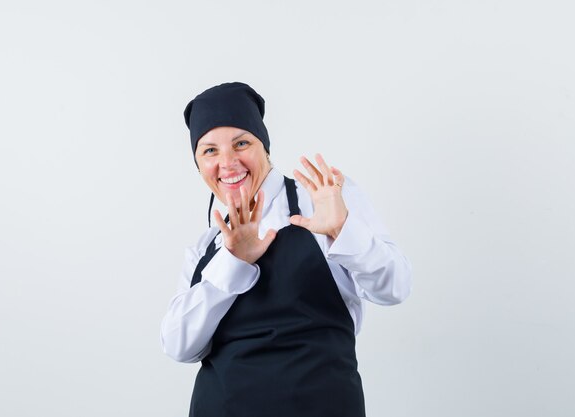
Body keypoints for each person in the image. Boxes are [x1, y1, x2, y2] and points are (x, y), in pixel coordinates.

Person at [161, 82, 412, 417]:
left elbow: (395, 288)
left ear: (264, 146)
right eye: (209, 151)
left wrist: (342, 230)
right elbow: (179, 346)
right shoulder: (207, 246)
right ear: (198, 164)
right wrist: (234, 261)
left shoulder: (322, 199)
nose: (228, 162)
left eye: (241, 143)